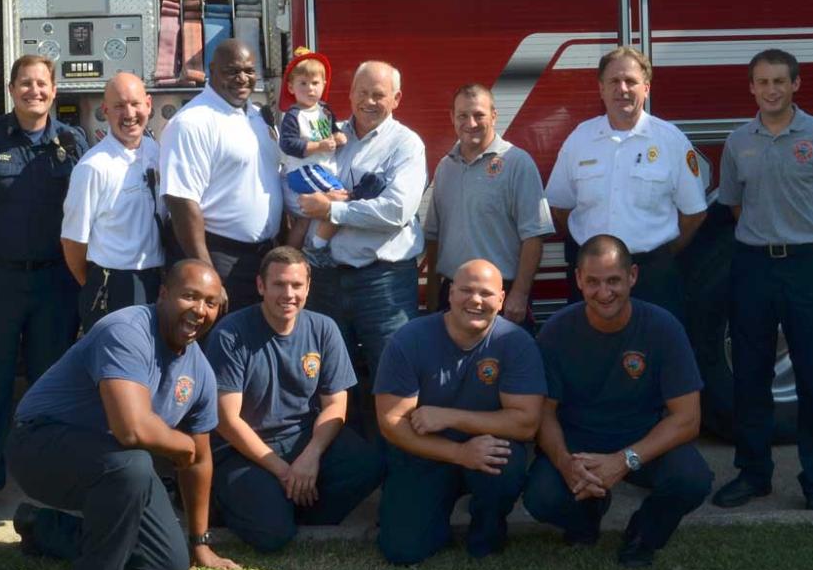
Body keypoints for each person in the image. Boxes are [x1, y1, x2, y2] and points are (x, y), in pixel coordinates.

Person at [7, 260, 241, 570]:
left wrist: (200, 542)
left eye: (212, 303)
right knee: (132, 463)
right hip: (39, 446)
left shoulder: (199, 369)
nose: (200, 310)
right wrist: (182, 445)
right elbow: (131, 428)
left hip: (113, 463)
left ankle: (44, 529)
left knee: (167, 564)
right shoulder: (126, 331)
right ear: (163, 294)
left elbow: (199, 461)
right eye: (190, 296)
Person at [712, 49, 813, 512]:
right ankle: (753, 475)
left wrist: (808, 248)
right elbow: (734, 206)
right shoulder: (738, 143)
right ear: (751, 87)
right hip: (753, 266)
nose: (771, 89)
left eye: (779, 81)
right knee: (750, 376)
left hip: (807, 268)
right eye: (762, 82)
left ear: (796, 85)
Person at [0, 54, 88, 526]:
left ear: (55, 90)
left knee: (50, 387)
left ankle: (48, 486)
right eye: (25, 83)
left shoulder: (73, 143)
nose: (35, 91)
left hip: (54, 282)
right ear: (11, 89)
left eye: (42, 83)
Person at [523, 235, 712, 568]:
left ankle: (644, 534)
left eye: (614, 281)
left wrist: (624, 461)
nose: (604, 292)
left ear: (633, 277)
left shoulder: (663, 328)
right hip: (580, 445)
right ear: (578, 279)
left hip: (642, 442)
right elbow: (545, 413)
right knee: (541, 498)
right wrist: (566, 463)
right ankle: (587, 517)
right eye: (593, 282)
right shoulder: (556, 331)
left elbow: (687, 418)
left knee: (691, 478)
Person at [205, 247, 384, 552]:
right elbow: (227, 420)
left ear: (308, 287)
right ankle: (232, 501)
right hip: (242, 450)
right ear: (261, 286)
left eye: (297, 285)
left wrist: (311, 456)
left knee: (370, 464)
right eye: (278, 284)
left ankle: (295, 506)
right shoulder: (230, 334)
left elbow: (336, 405)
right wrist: (284, 471)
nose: (288, 294)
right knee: (273, 537)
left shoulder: (323, 328)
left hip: (302, 440)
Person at [373, 259, 544, 564]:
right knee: (402, 551)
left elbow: (526, 424)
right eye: (466, 290)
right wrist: (459, 453)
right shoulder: (409, 339)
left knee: (505, 464)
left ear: (502, 300)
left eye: (486, 293)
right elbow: (391, 423)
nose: (476, 300)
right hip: (424, 451)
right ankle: (430, 517)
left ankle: (487, 531)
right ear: (450, 293)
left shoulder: (516, 343)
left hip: (485, 449)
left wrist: (450, 417)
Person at [545, 46, 706, 322]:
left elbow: (694, 213)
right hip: (593, 280)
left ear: (646, 88)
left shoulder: (671, 140)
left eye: (631, 81)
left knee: (656, 356)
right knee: (589, 356)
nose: (622, 89)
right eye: (614, 81)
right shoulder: (580, 139)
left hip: (651, 278)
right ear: (601, 89)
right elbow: (559, 206)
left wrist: (659, 253)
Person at [298, 61, 425, 385]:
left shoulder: (406, 145)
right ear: (351, 93)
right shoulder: (329, 136)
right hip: (325, 278)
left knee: (392, 377)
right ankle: (342, 437)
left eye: (379, 95)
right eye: (362, 92)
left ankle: (392, 438)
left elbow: (396, 210)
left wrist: (332, 211)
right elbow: (300, 186)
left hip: (384, 283)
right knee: (329, 378)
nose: (369, 101)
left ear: (396, 99)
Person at [160, 39, 282, 312]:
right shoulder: (192, 122)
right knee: (216, 347)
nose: (242, 78)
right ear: (211, 71)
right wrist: (208, 277)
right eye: (232, 71)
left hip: (261, 258)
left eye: (249, 71)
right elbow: (181, 202)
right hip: (218, 258)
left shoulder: (257, 117)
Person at [423, 84, 554, 327]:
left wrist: (520, 294)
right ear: (452, 117)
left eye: (479, 115)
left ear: (494, 115)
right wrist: (432, 298)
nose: (470, 123)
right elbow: (434, 237)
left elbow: (534, 236)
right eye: (462, 115)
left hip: (501, 295)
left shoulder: (517, 163)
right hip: (452, 294)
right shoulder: (445, 167)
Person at [62, 73, 165, 335]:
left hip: (158, 281)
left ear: (149, 105)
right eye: (119, 106)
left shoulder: (158, 154)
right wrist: (96, 285)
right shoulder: (93, 167)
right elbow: (73, 241)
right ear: (105, 110)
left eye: (135, 103)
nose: (129, 113)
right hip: (114, 286)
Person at [276, 47, 347, 259]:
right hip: (303, 170)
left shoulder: (324, 110)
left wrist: (339, 137)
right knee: (340, 198)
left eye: (315, 83)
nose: (310, 89)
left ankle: (290, 255)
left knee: (305, 218)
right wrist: (319, 147)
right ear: (291, 87)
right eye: (303, 84)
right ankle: (316, 247)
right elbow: (287, 144)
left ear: (324, 84)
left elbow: (334, 131)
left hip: (321, 169)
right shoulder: (293, 115)